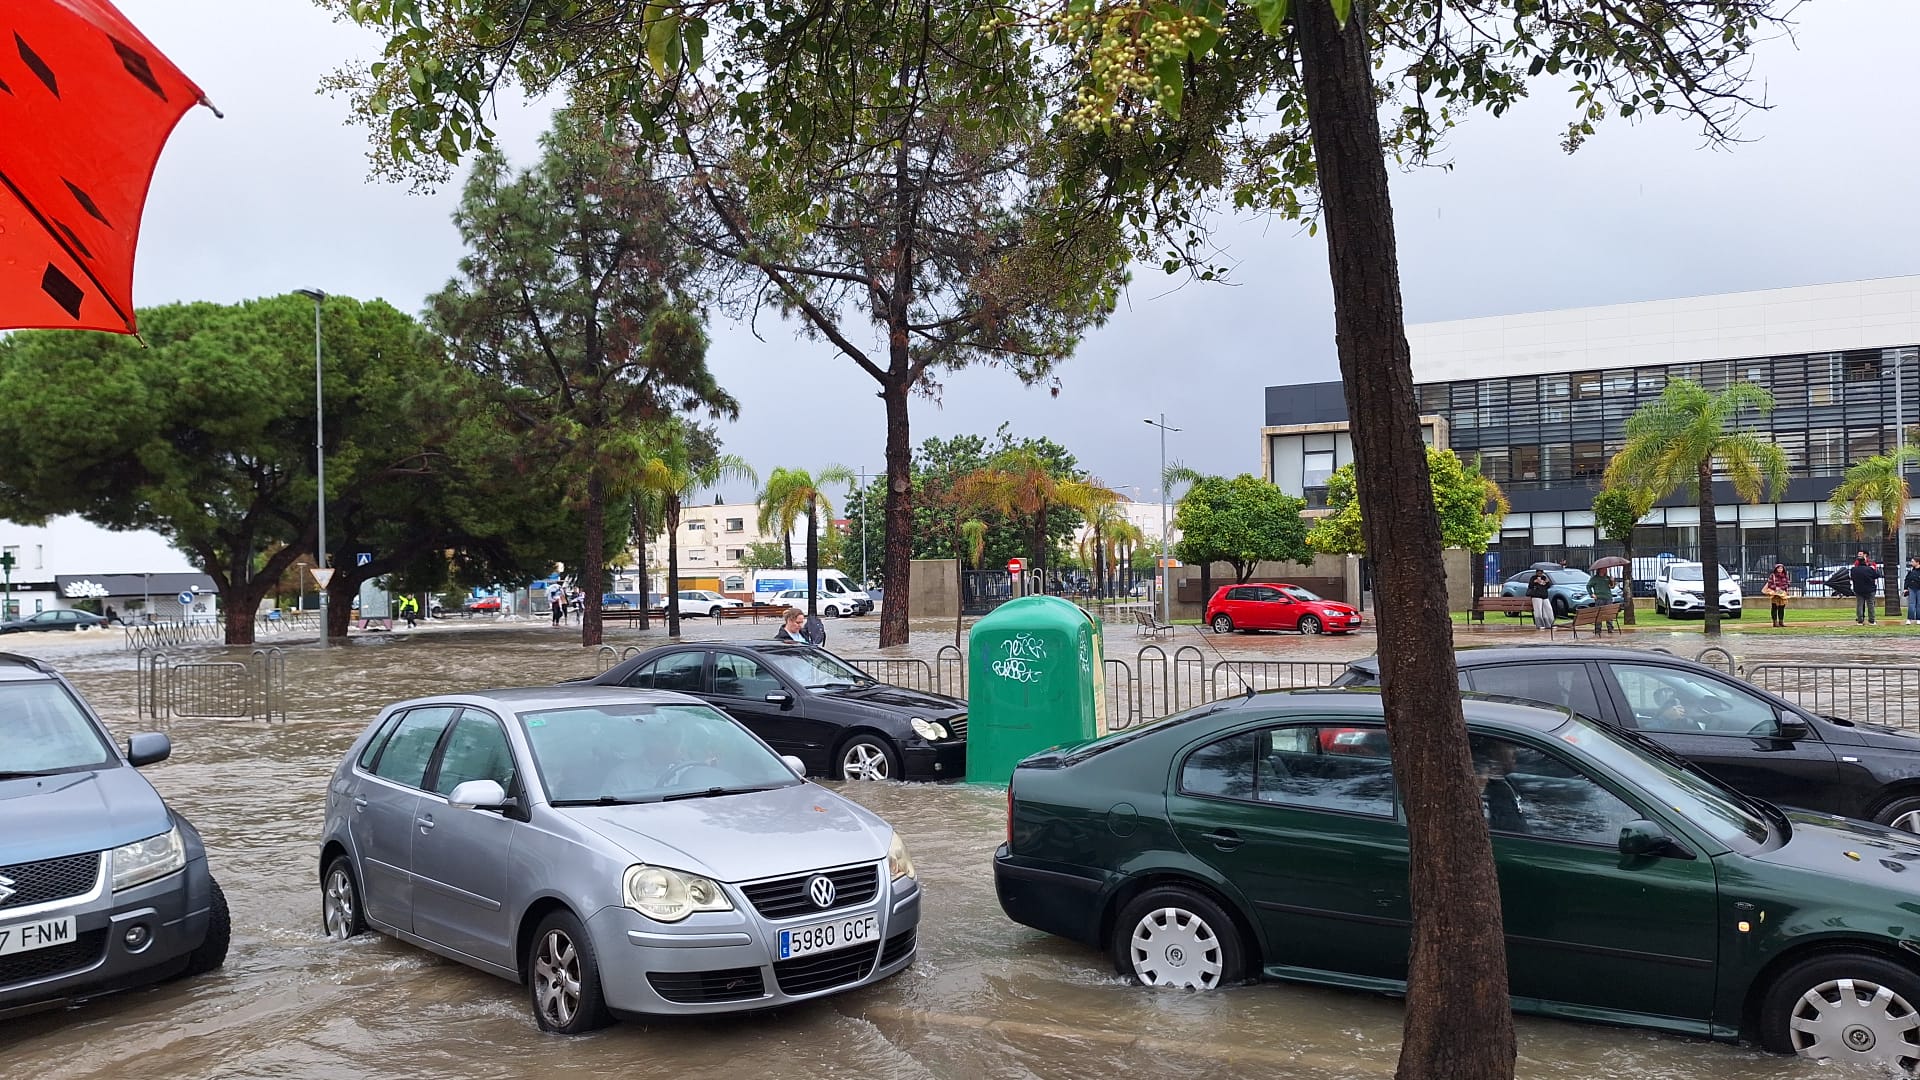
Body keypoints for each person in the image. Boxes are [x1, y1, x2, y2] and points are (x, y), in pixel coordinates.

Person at [1851, 553, 1882, 625]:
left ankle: (1860, 620)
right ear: (1865, 561)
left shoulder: (1854, 570)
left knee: (1860, 604)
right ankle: (1871, 620)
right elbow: (1877, 575)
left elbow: (1852, 577)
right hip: (1869, 589)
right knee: (1870, 604)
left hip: (1858, 589)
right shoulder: (1869, 569)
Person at [1764, 563, 1791, 627]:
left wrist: (1783, 588)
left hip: (1782, 593)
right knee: (1774, 607)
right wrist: (1775, 588)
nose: (1780, 569)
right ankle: (1775, 622)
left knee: (1782, 608)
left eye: (1781, 568)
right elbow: (1770, 584)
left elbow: (1788, 583)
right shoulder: (1772, 575)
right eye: (1778, 568)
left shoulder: (1785, 575)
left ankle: (1781, 622)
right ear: (1776, 569)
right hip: (1775, 593)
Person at [1905, 558, 1920, 625]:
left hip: (1919, 589)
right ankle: (1909, 619)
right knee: (1911, 604)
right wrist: (1905, 588)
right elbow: (1907, 579)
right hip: (1911, 588)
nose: (1911, 563)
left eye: (1913, 561)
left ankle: (1918, 619)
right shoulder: (1911, 570)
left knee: (1919, 605)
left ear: (1917, 562)